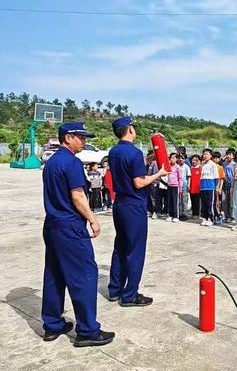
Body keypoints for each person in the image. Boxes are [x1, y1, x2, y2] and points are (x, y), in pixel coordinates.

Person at [41, 122, 114, 347]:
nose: (83, 141)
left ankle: (52, 324)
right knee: (84, 274)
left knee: (54, 273)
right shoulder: (71, 162)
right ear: (68, 137)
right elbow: (78, 196)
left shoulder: (52, 162)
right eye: (81, 137)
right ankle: (87, 330)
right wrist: (93, 219)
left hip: (52, 224)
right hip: (70, 226)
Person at [108, 117, 168, 306]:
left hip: (119, 204)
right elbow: (139, 182)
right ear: (130, 130)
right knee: (135, 251)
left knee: (120, 247)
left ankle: (115, 290)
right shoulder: (134, 152)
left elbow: (129, 168)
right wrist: (159, 174)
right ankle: (130, 295)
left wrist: (149, 159)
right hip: (134, 205)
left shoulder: (114, 151)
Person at [200, 148, 218, 226]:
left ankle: (210, 218)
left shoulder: (213, 165)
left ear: (210, 155)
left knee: (209, 204)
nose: (205, 155)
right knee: (203, 203)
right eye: (204, 154)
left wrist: (214, 186)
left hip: (210, 187)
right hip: (202, 187)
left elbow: (216, 178)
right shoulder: (202, 165)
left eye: (207, 154)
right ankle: (204, 218)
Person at [166, 153, 182, 222]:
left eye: (173, 158)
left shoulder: (178, 167)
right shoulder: (168, 166)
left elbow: (180, 178)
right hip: (169, 186)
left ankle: (176, 216)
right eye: (170, 158)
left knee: (175, 201)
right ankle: (170, 215)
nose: (172, 159)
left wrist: (180, 187)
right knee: (169, 201)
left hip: (175, 186)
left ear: (176, 159)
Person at [221, 148, 236, 223]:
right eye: (227, 154)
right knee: (224, 201)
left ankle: (232, 216)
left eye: (230, 155)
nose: (228, 156)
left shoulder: (234, 165)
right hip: (224, 185)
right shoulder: (223, 164)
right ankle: (226, 216)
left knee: (231, 202)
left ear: (233, 156)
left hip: (232, 185)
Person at [212, 151, 225, 225]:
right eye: (214, 158)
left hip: (217, 186)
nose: (215, 160)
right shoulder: (210, 166)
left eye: (217, 158)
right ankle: (213, 216)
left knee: (217, 203)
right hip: (211, 186)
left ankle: (218, 215)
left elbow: (221, 179)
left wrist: (220, 188)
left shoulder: (220, 168)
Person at [178, 153, 191, 219]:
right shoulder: (177, 166)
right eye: (179, 158)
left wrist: (188, 185)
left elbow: (189, 177)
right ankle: (179, 213)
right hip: (177, 186)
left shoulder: (186, 167)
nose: (181, 159)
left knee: (184, 200)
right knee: (179, 200)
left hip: (184, 186)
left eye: (182, 158)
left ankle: (184, 213)